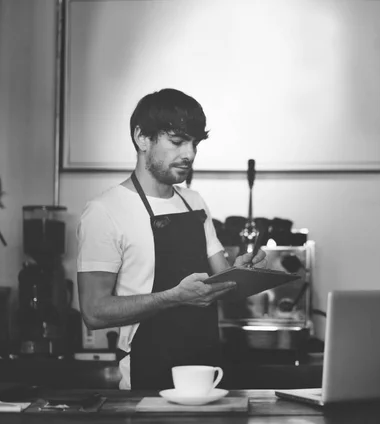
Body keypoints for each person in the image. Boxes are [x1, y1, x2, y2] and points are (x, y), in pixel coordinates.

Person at [76, 88, 267, 390]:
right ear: (142, 138)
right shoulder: (104, 211)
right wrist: (172, 297)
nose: (189, 154)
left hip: (206, 374)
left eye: (194, 143)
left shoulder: (195, 202)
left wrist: (242, 271)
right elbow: (93, 311)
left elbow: (223, 283)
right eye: (177, 142)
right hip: (146, 374)